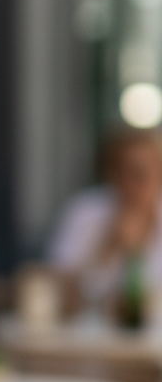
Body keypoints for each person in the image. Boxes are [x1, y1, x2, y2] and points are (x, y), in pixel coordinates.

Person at [47, 127, 162, 325]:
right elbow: (57, 291)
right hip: (93, 342)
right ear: (113, 174)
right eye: (133, 172)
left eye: (150, 169)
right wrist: (109, 245)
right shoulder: (84, 212)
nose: (142, 181)